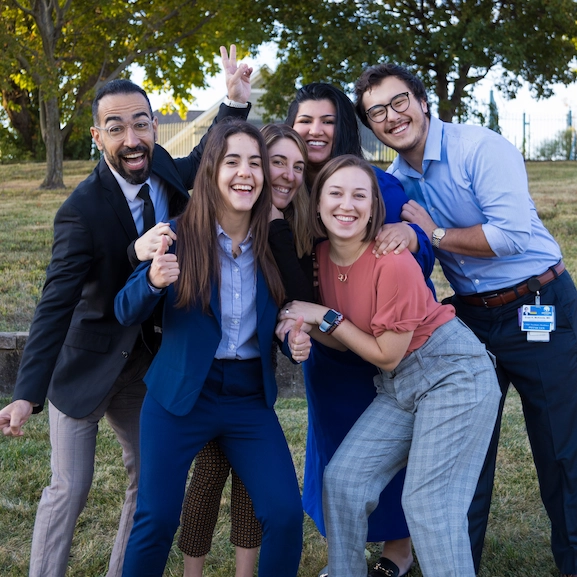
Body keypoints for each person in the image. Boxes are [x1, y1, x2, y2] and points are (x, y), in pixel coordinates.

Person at [0, 46, 252, 577]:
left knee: (150, 480)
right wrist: (25, 395)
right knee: (70, 486)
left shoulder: (162, 168)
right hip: (85, 367)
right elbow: (55, 306)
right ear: (97, 137)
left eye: (141, 124)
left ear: (154, 127)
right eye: (116, 128)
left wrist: (232, 105)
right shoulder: (81, 212)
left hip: (144, 365)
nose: (131, 138)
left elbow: (204, 157)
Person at [353, 62, 577, 577]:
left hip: (536, 306)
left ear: (423, 101)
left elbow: (510, 236)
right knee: (461, 459)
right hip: (471, 320)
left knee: (562, 453)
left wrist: (432, 233)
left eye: (400, 100)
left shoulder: (480, 147)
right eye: (377, 111)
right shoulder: (394, 182)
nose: (392, 116)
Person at [279, 154, 501, 577]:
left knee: (428, 503)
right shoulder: (320, 257)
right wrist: (302, 322)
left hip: (453, 375)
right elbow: (343, 343)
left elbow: (385, 352)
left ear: (373, 208)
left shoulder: (393, 261)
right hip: (399, 385)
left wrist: (322, 316)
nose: (347, 205)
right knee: (342, 480)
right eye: (336, 193)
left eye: (359, 195)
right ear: (318, 203)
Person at [114, 119, 311, 577]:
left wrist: (291, 338)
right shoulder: (177, 234)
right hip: (181, 396)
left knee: (283, 515)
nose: (246, 173)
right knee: (157, 518)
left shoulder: (271, 242)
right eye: (232, 161)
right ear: (211, 171)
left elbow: (280, 316)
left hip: (247, 399)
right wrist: (151, 280)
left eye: (255, 163)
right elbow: (125, 309)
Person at [285, 82, 436, 577]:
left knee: (397, 447)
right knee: (338, 451)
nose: (316, 130)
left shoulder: (374, 184)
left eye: (328, 120)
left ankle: (398, 549)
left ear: (344, 127)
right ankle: (344, 552)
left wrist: (412, 234)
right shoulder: (282, 187)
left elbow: (420, 259)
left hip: (386, 338)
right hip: (330, 347)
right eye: (306, 120)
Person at [177, 123, 311, 577]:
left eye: (297, 166)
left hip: (253, 382)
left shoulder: (285, 227)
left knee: (254, 491)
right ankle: (191, 570)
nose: (285, 175)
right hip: (202, 378)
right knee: (210, 475)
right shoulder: (214, 221)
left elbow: (293, 299)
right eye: (275, 163)